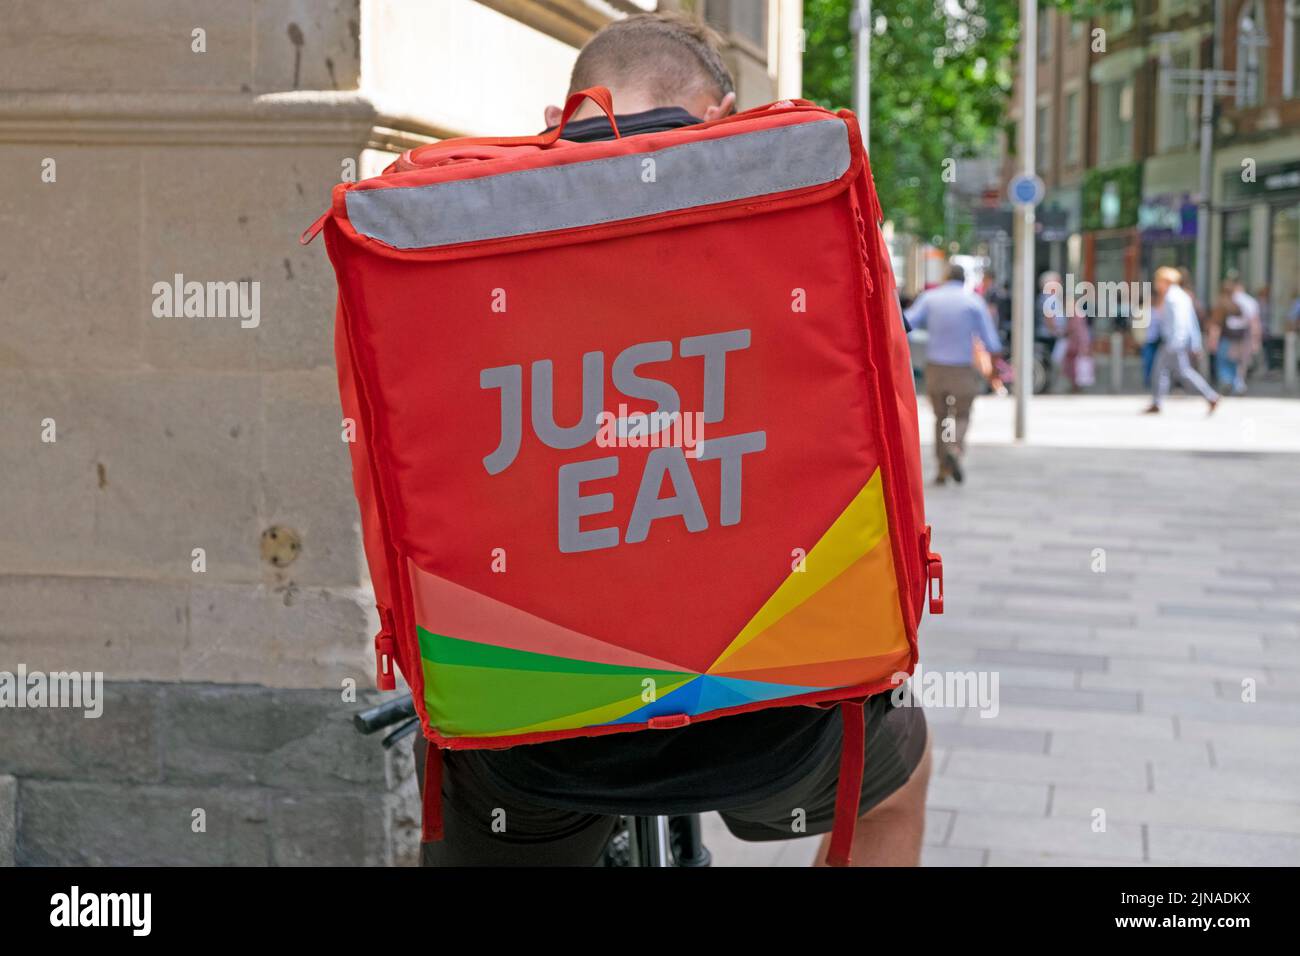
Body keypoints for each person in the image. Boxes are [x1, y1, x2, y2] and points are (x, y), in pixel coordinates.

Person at [414, 11, 931, 867]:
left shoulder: (457, 225)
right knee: (894, 787)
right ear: (721, 117)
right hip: (775, 724)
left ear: (558, 118)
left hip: (526, 731)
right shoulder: (794, 220)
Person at [905, 261, 1004, 484]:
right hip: (962, 369)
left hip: (935, 368)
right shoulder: (973, 302)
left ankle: (942, 468)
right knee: (961, 414)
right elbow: (991, 341)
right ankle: (955, 448)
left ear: (945, 277)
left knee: (942, 417)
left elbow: (906, 324)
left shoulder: (930, 299)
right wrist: (995, 370)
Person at [1144, 266, 1219, 414]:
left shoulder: (1172, 298)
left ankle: (1157, 402)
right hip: (1178, 341)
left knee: (1162, 371)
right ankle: (1210, 396)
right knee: (1181, 372)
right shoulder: (1182, 296)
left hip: (1173, 342)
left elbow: (1180, 321)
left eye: (1158, 281)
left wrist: (1176, 341)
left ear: (1165, 281)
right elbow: (1192, 322)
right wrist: (1194, 342)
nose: (1156, 285)